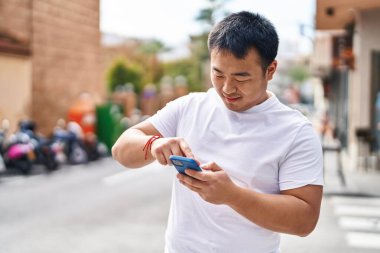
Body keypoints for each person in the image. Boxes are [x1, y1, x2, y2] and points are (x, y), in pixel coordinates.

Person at [112, 11, 323, 253]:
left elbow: (305, 220)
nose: (227, 88)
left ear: (271, 70)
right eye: (218, 73)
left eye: (241, 77)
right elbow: (121, 149)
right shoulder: (190, 106)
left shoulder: (296, 132)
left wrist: (232, 195)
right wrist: (153, 144)